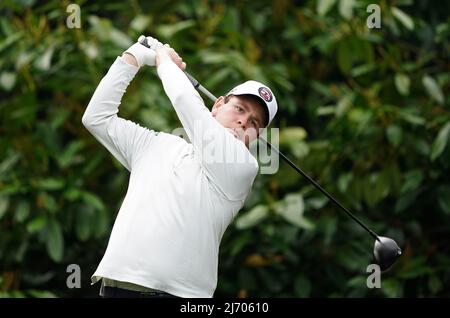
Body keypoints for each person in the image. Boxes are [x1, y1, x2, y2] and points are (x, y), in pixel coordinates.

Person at [82, 35, 278, 298]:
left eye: (255, 123)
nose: (244, 122)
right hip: (119, 285)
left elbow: (189, 106)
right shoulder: (155, 144)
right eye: (240, 109)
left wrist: (164, 62)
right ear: (218, 104)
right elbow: (96, 118)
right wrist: (135, 57)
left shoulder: (243, 168)